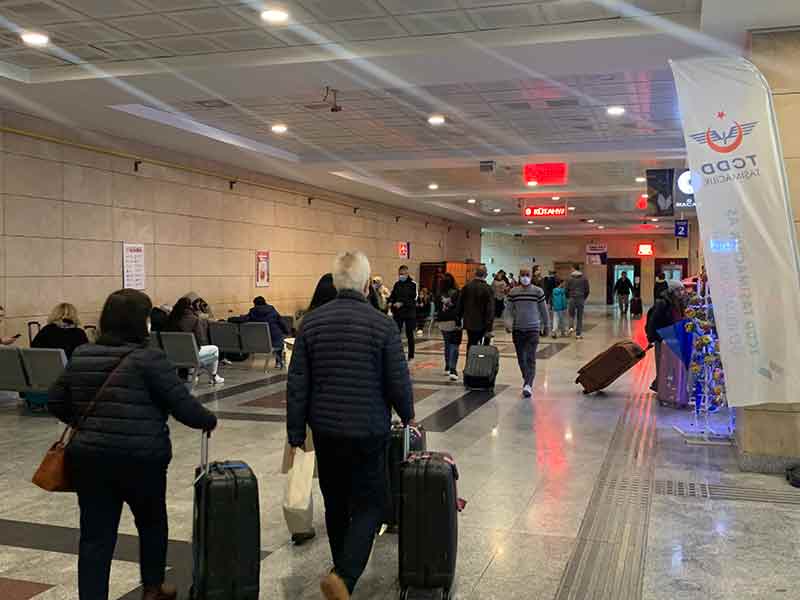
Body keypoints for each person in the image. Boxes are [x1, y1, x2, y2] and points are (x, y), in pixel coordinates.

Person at [48, 289, 217, 600]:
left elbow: (56, 400)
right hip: (142, 460)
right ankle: (153, 587)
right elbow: (183, 407)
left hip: (90, 459)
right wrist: (208, 419)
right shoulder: (150, 358)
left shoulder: (83, 354)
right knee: (152, 523)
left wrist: (86, 422)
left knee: (95, 536)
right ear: (140, 322)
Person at [287, 251, 414, 600]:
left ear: (335, 281)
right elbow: (397, 380)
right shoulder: (382, 325)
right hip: (368, 429)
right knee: (372, 503)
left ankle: (339, 569)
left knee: (336, 501)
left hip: (325, 430)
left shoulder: (311, 323)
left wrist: (295, 432)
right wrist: (407, 414)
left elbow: (297, 382)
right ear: (366, 283)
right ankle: (343, 576)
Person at [505, 267, 550, 399]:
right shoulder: (513, 292)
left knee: (530, 357)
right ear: (519, 276)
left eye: (527, 275)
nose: (525, 277)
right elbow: (508, 310)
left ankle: (528, 384)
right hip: (518, 329)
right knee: (521, 358)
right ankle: (527, 378)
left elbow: (544, 310)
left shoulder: (538, 291)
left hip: (533, 329)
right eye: (522, 275)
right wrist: (508, 323)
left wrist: (547, 326)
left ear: (531, 276)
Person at [165, 297, 224, 384]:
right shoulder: (194, 319)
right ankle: (213, 376)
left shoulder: (170, 319)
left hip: (172, 354)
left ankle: (191, 373)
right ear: (190, 306)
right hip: (190, 355)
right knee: (214, 350)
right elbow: (201, 340)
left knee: (205, 355)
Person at [646, 281, 686, 392]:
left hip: (673, 337)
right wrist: (652, 338)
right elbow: (653, 321)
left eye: (682, 289)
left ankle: (661, 384)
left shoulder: (679, 302)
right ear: (673, 291)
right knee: (661, 363)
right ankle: (660, 386)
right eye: (679, 290)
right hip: (662, 338)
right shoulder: (663, 303)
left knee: (669, 364)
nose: (681, 292)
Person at [243, 296, 289, 369]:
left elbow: (244, 319)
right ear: (265, 302)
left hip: (259, 342)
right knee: (278, 338)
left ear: (255, 304)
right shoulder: (272, 311)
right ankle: (278, 362)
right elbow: (281, 322)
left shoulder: (252, 312)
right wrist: (286, 331)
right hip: (274, 340)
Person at [457, 266, 495, 350]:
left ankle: (470, 358)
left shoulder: (466, 287)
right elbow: (490, 309)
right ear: (486, 275)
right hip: (483, 322)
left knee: (471, 342)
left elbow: (460, 305)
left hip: (469, 321)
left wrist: (458, 321)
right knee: (484, 346)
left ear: (475, 274)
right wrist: (489, 326)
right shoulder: (488, 288)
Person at [388, 265, 418, 361]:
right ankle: (396, 353)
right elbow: (393, 295)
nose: (401, 276)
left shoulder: (413, 284)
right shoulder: (397, 284)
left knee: (410, 334)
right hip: (398, 313)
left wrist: (402, 303)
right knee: (396, 333)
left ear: (407, 273)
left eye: (403, 274)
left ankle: (411, 355)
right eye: (400, 274)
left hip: (409, 313)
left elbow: (413, 298)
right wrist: (390, 301)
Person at [436, 272, 462, 381]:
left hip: (442, 322)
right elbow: (459, 308)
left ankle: (447, 366)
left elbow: (437, 308)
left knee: (447, 344)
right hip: (453, 320)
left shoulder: (438, 294)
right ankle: (452, 369)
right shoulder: (457, 293)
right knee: (454, 345)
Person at [565, 264, 590, 339]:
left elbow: (566, 290)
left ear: (573, 268)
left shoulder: (569, 278)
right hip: (580, 298)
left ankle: (571, 327)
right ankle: (578, 334)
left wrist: (568, 297)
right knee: (579, 317)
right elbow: (587, 290)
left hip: (572, 298)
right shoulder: (584, 278)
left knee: (571, 315)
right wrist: (584, 298)